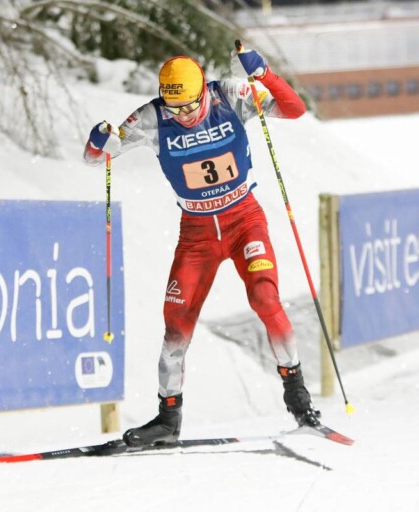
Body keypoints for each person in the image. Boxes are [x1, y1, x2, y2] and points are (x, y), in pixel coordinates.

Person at [83, 47, 321, 447]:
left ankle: (299, 399)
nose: (184, 116)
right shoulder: (151, 118)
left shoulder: (229, 95)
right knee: (175, 324)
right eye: (174, 108)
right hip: (196, 234)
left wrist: (262, 73)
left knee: (265, 298)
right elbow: (94, 158)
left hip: (244, 220)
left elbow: (293, 109)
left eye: (191, 106)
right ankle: (167, 418)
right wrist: (99, 138)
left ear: (202, 92)